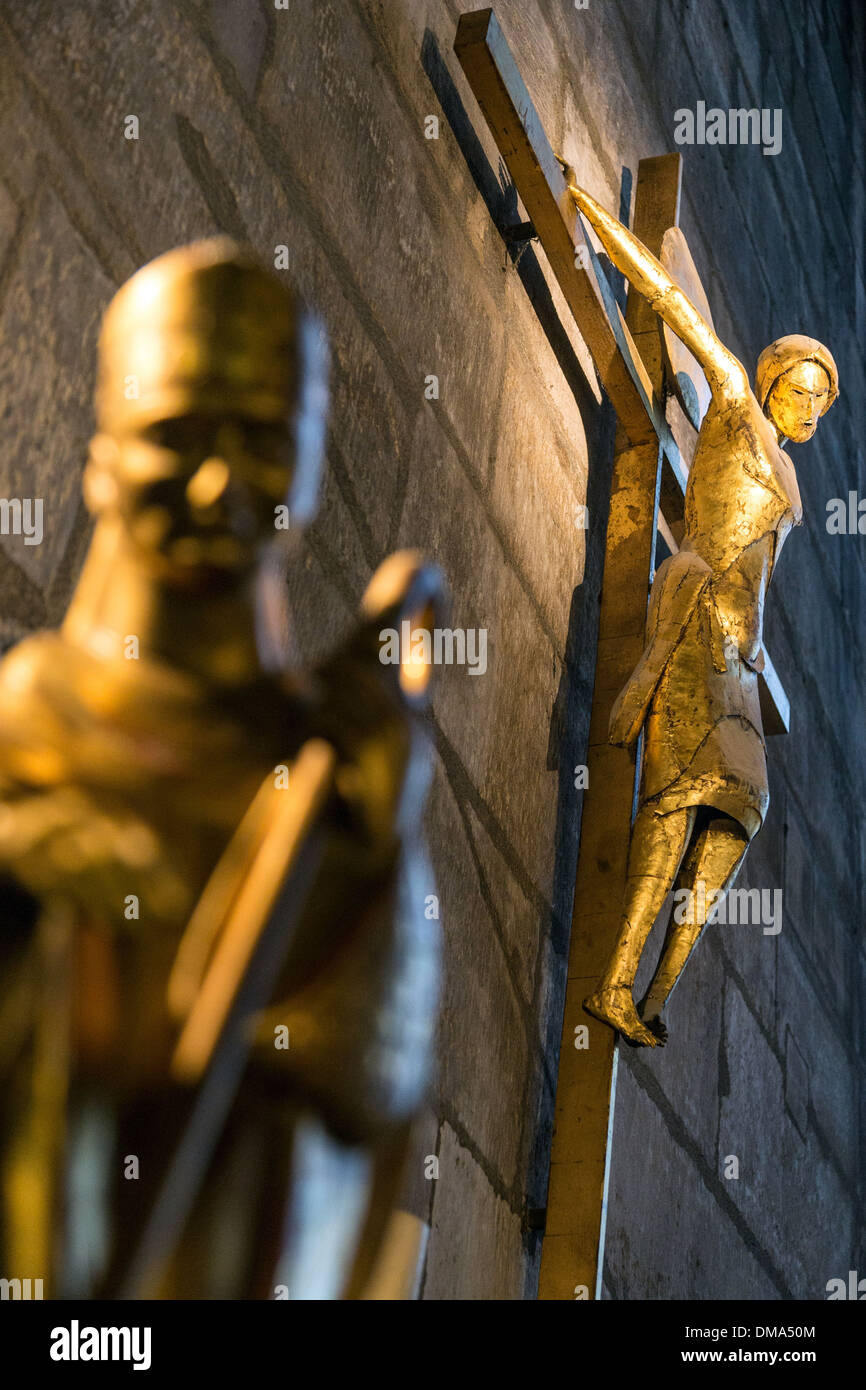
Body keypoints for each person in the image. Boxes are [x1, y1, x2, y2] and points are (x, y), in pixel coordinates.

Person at [565, 181, 838, 1047]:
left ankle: (659, 991)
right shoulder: (731, 399)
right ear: (769, 379)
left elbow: (768, 571)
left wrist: (755, 657)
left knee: (741, 811)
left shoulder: (794, 482)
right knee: (679, 797)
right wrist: (594, 219)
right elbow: (674, 302)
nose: (807, 408)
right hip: (695, 621)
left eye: (820, 402)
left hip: (744, 668)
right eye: (799, 390)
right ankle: (613, 983)